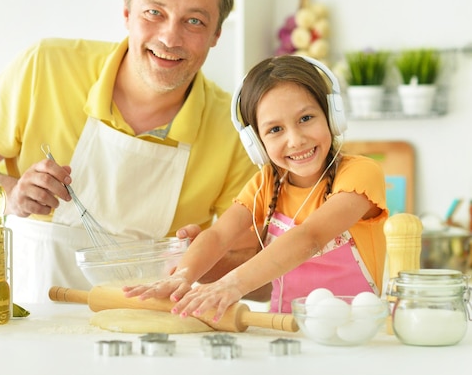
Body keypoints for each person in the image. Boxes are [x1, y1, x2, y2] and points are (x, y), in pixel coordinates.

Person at [0, 0, 263, 303]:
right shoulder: (47, 67)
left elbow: (255, 264)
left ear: (216, 35)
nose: (169, 37)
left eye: (194, 21)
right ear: (127, 15)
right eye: (154, 13)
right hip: (23, 315)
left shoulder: (233, 129)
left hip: (143, 333)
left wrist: (199, 260)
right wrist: (9, 195)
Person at [123, 55, 389, 320]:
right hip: (284, 329)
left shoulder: (360, 173)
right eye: (275, 130)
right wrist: (183, 275)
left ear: (331, 116)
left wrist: (233, 284)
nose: (295, 140)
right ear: (256, 142)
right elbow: (217, 236)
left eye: (306, 118)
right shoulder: (266, 183)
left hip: (354, 330)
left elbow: (310, 238)